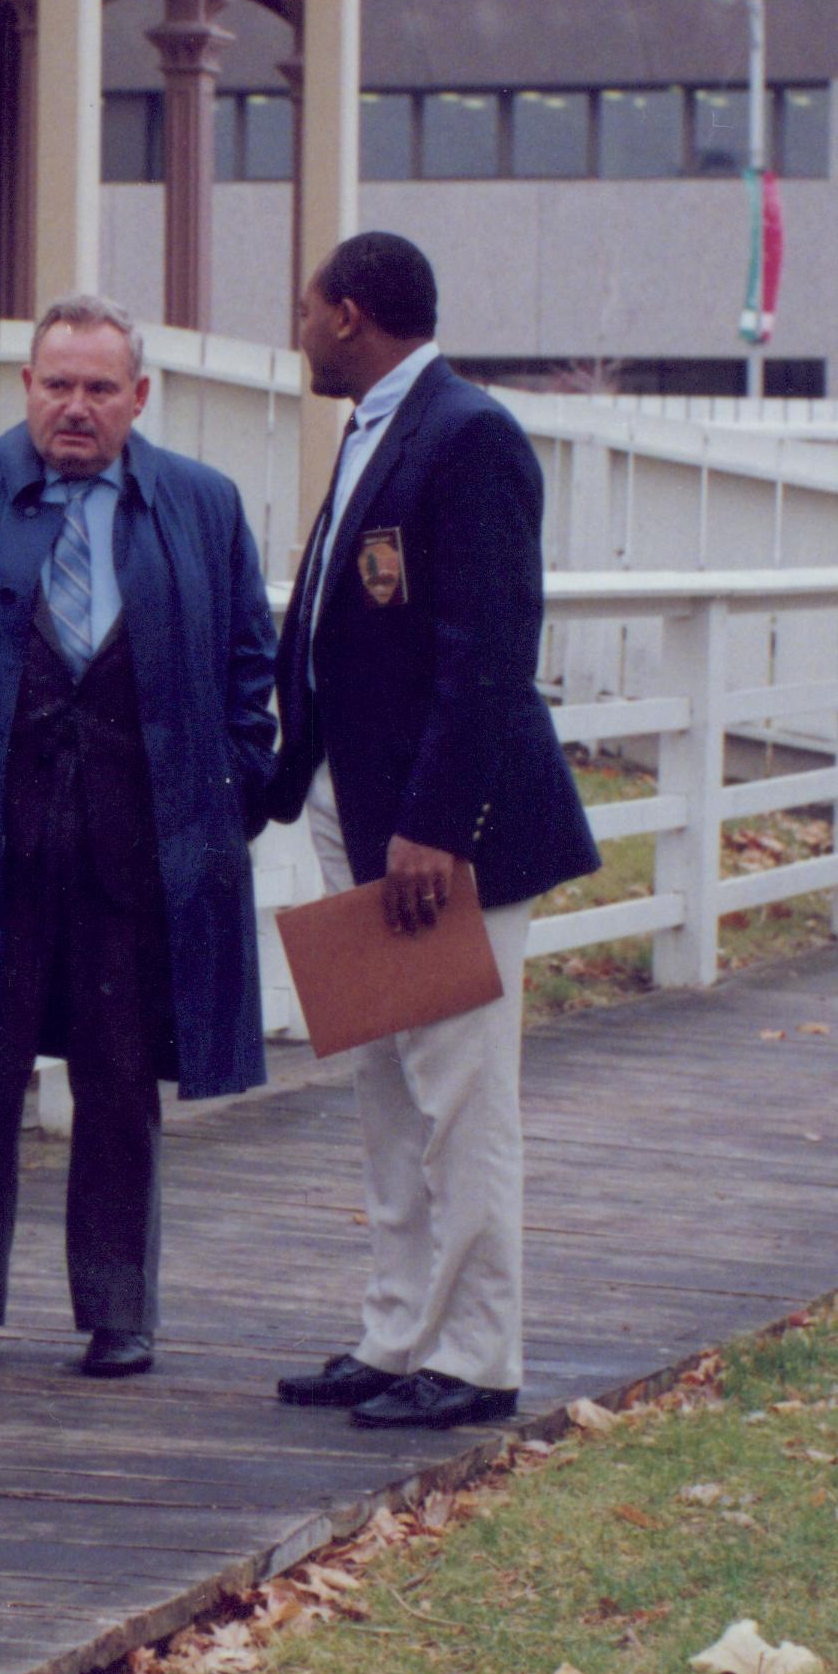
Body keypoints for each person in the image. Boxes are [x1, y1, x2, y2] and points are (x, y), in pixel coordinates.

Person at [0, 294, 279, 1380]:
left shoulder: (201, 503)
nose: (76, 408)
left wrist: (228, 795)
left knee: (120, 1076)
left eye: (100, 388)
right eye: (57, 385)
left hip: (134, 852)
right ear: (26, 388)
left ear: (139, 397)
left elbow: (247, 664)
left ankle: (118, 1310)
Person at [269, 231, 599, 1433]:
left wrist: (432, 825)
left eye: (306, 310)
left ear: (349, 314)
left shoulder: (467, 436)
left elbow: (489, 651)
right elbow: (331, 627)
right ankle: (396, 1331)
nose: (297, 329)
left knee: (461, 1096)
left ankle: (474, 1354)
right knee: (388, 1090)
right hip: (353, 807)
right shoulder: (371, 428)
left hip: (439, 830)